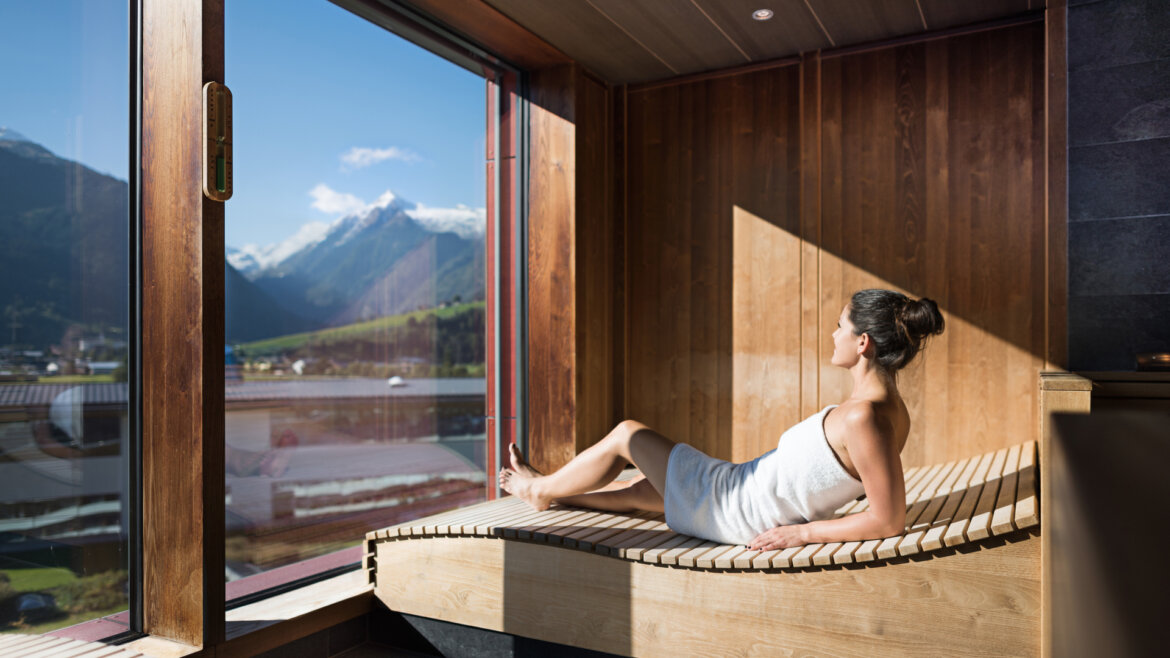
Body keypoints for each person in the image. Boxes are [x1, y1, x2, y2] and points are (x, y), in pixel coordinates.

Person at [499, 289, 945, 550]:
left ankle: (538, 489)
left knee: (627, 435)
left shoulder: (865, 417)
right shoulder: (885, 408)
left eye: (840, 327)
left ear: (863, 342)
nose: (833, 334)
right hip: (737, 490)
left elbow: (888, 522)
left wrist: (802, 534)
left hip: (735, 510)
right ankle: (550, 494)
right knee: (636, 492)